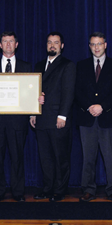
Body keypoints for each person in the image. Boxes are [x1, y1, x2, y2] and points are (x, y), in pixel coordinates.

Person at [74, 32, 112, 202]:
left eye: (99, 44)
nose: (96, 47)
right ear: (89, 46)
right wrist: (89, 106)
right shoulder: (81, 66)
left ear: (106, 45)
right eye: (93, 44)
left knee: (110, 157)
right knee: (88, 156)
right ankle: (88, 189)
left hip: (108, 118)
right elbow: (77, 91)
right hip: (86, 118)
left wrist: (102, 106)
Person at [0, 31, 32, 202]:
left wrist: (36, 98)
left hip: (17, 121)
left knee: (17, 157)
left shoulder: (26, 67)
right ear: (0, 45)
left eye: (11, 41)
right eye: (4, 41)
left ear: (16, 44)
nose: (8, 44)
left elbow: (29, 93)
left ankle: (18, 192)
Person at [30, 31, 76, 202]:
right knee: (46, 157)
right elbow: (33, 92)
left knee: (60, 156)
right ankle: (48, 188)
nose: (52, 45)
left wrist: (62, 115)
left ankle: (59, 190)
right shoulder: (38, 65)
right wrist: (32, 114)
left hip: (58, 118)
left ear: (62, 46)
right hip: (41, 118)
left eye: (56, 42)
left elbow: (68, 92)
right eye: (49, 42)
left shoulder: (68, 65)